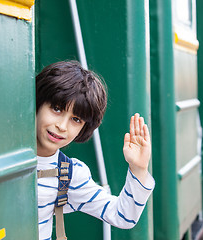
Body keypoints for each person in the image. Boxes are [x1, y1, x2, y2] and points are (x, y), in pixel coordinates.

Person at [36, 60, 155, 240]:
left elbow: (123, 216)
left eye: (76, 119)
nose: (61, 126)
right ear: (37, 103)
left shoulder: (69, 174)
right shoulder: (0, 152)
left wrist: (138, 169)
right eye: (57, 108)